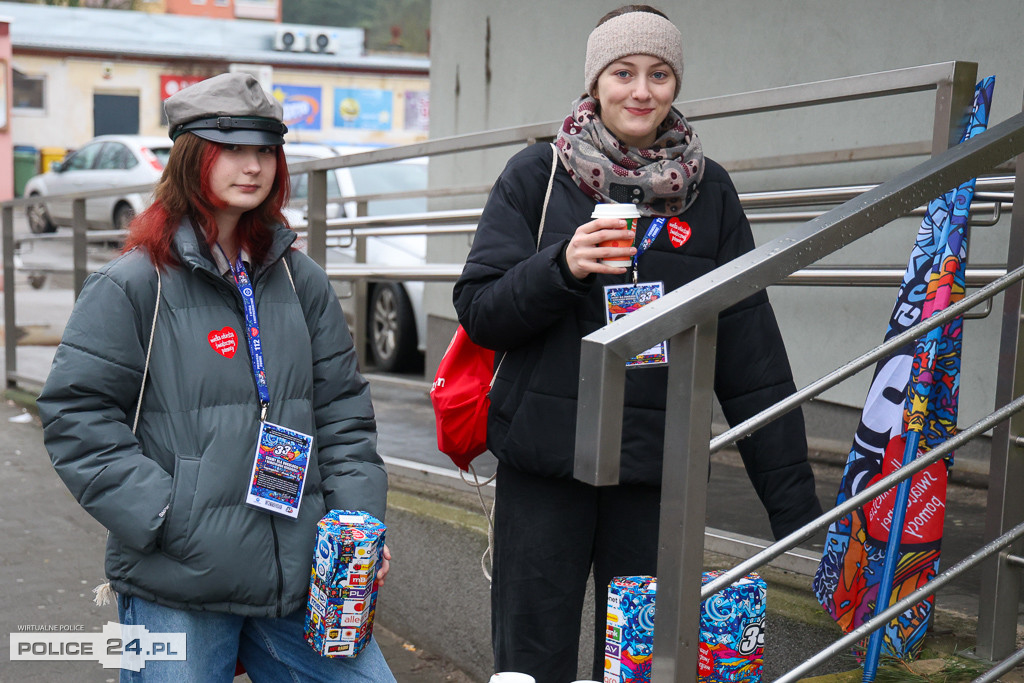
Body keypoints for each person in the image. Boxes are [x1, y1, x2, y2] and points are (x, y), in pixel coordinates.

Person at [453, 6, 823, 681]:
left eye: (659, 73)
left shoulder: (709, 194)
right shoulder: (538, 176)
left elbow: (751, 357)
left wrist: (798, 513)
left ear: (676, 84)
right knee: (531, 664)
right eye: (623, 72)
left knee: (645, 667)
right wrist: (560, 267)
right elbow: (480, 311)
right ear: (596, 80)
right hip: (544, 465)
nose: (641, 90)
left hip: (656, 475)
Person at [37, 72, 395, 682]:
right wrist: (166, 513)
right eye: (232, 148)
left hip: (301, 571)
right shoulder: (133, 283)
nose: (252, 166)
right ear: (190, 157)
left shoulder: (297, 280)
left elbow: (343, 411)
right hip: (179, 581)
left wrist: (359, 521)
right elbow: (76, 414)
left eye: (264, 150)